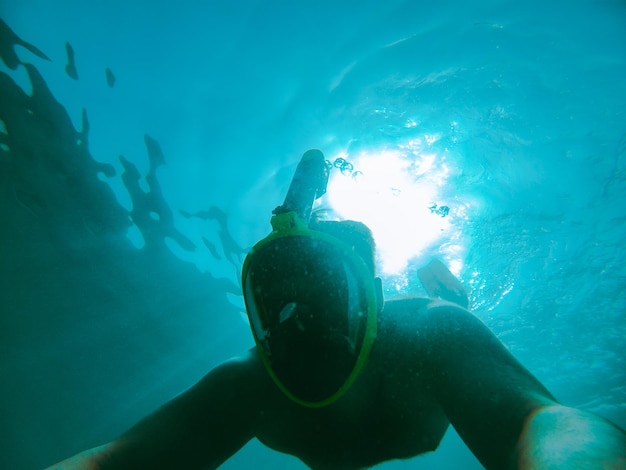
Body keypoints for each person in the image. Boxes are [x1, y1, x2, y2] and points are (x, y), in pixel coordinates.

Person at [47, 150, 626, 469]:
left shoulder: (431, 336)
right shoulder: (251, 384)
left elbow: (538, 420)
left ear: (372, 300)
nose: (297, 324)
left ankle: (446, 286)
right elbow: (121, 461)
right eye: (277, 305)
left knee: (450, 310)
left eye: (325, 295)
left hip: (423, 321)